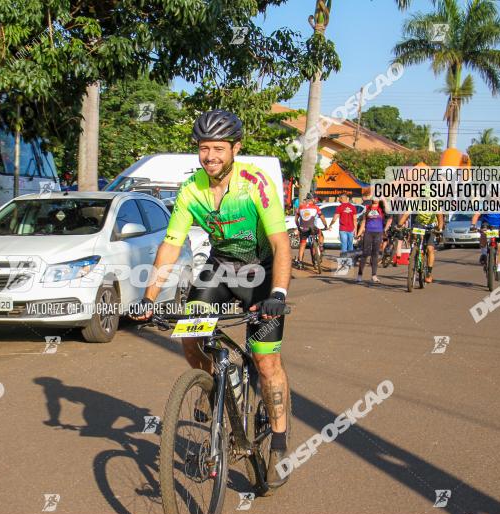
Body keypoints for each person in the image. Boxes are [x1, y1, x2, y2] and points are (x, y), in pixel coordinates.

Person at [130, 110, 293, 490]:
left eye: (219, 148)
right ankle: (214, 382)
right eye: (204, 148)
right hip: (220, 268)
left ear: (236, 148)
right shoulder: (191, 190)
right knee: (190, 331)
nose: (211, 156)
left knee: (266, 363)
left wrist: (279, 294)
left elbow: (280, 244)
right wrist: (149, 297)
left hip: (261, 272)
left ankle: (280, 441)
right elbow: (172, 244)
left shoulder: (256, 183)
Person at [355, 198, 388, 284]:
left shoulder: (382, 208)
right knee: (365, 253)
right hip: (368, 232)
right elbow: (364, 221)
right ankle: (359, 275)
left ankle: (374, 275)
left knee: (375, 254)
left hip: (378, 233)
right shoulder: (367, 208)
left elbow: (388, 211)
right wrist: (359, 233)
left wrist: (383, 199)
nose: (376, 199)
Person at [294, 195, 328, 270]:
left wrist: (299, 227)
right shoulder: (315, 207)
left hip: (303, 229)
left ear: (306, 200)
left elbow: (296, 219)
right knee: (320, 234)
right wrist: (325, 225)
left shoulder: (300, 207)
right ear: (312, 200)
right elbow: (322, 217)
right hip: (313, 228)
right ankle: (321, 246)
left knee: (302, 245)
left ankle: (300, 262)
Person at [329, 194, 358, 259]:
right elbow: (355, 219)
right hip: (351, 229)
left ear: (342, 199)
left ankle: (344, 261)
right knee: (350, 245)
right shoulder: (353, 207)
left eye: (339, 198)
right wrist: (355, 230)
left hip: (343, 229)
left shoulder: (340, 207)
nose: (338, 199)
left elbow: (335, 218)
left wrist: (330, 224)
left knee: (344, 245)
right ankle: (350, 260)